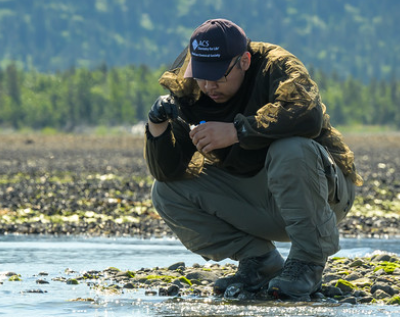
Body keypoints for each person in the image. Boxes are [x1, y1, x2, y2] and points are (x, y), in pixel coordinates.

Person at [145, 18, 362, 301]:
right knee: (166, 192)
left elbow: (309, 116)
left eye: (219, 75)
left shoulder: (276, 65)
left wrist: (237, 131)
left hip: (323, 196)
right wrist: (156, 125)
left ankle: (308, 261)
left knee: (291, 149)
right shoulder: (190, 86)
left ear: (244, 61)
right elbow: (168, 170)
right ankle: (259, 262)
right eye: (202, 74)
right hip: (257, 201)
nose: (209, 85)